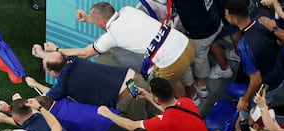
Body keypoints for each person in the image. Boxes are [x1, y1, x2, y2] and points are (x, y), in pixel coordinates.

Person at [41, 2, 195, 98]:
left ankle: (178, 112)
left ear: (101, 21)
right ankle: (193, 97)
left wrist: (57, 49)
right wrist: (89, 18)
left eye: (94, 21)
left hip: (172, 61)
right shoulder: (128, 10)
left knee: (160, 94)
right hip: (184, 44)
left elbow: (84, 53)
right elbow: (108, 22)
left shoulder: (112, 36)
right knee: (176, 79)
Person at [27, 46, 159, 120]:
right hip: (136, 80)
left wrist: (35, 84)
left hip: (130, 97)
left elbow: (47, 97)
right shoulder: (74, 60)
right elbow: (60, 55)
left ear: (52, 72)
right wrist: (42, 53)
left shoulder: (62, 85)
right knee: (160, 113)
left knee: (148, 127)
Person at [224, 0, 284, 116]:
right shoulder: (264, 22)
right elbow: (280, 42)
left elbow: (256, 80)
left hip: (268, 86)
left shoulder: (244, 46)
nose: (225, 18)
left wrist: (245, 99)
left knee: (249, 114)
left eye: (227, 16)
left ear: (235, 20)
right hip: (280, 72)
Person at [172, 0, 223, 101]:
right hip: (215, 21)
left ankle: (201, 86)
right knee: (206, 49)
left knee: (198, 58)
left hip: (202, 34)